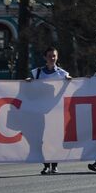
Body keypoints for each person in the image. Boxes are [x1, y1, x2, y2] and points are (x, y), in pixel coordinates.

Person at [30, 46, 71, 174]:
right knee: (41, 139)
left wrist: (70, 81)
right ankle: (45, 164)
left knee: (54, 138)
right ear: (44, 57)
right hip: (40, 111)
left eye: (54, 56)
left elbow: (69, 89)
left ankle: (54, 164)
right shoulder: (36, 73)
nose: (52, 58)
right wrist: (28, 82)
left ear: (57, 57)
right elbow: (29, 90)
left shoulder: (63, 74)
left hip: (56, 111)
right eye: (49, 56)